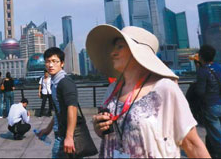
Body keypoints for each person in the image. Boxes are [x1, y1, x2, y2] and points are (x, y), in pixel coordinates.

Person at [86, 25, 210, 158]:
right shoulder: (112, 90)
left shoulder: (164, 89)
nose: (113, 53)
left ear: (138, 52)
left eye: (120, 47)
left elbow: (190, 142)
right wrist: (99, 128)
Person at [37, 47, 78, 158]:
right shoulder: (54, 82)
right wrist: (48, 129)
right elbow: (59, 111)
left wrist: (69, 137)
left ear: (62, 63)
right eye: (48, 61)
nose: (51, 65)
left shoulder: (64, 82)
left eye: (55, 61)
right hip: (60, 133)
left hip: (65, 135)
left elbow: (73, 107)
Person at [195, 45, 221, 158]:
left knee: (218, 139)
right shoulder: (218, 67)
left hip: (211, 107)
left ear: (201, 56)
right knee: (213, 135)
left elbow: (200, 91)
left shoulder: (202, 71)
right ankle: (212, 155)